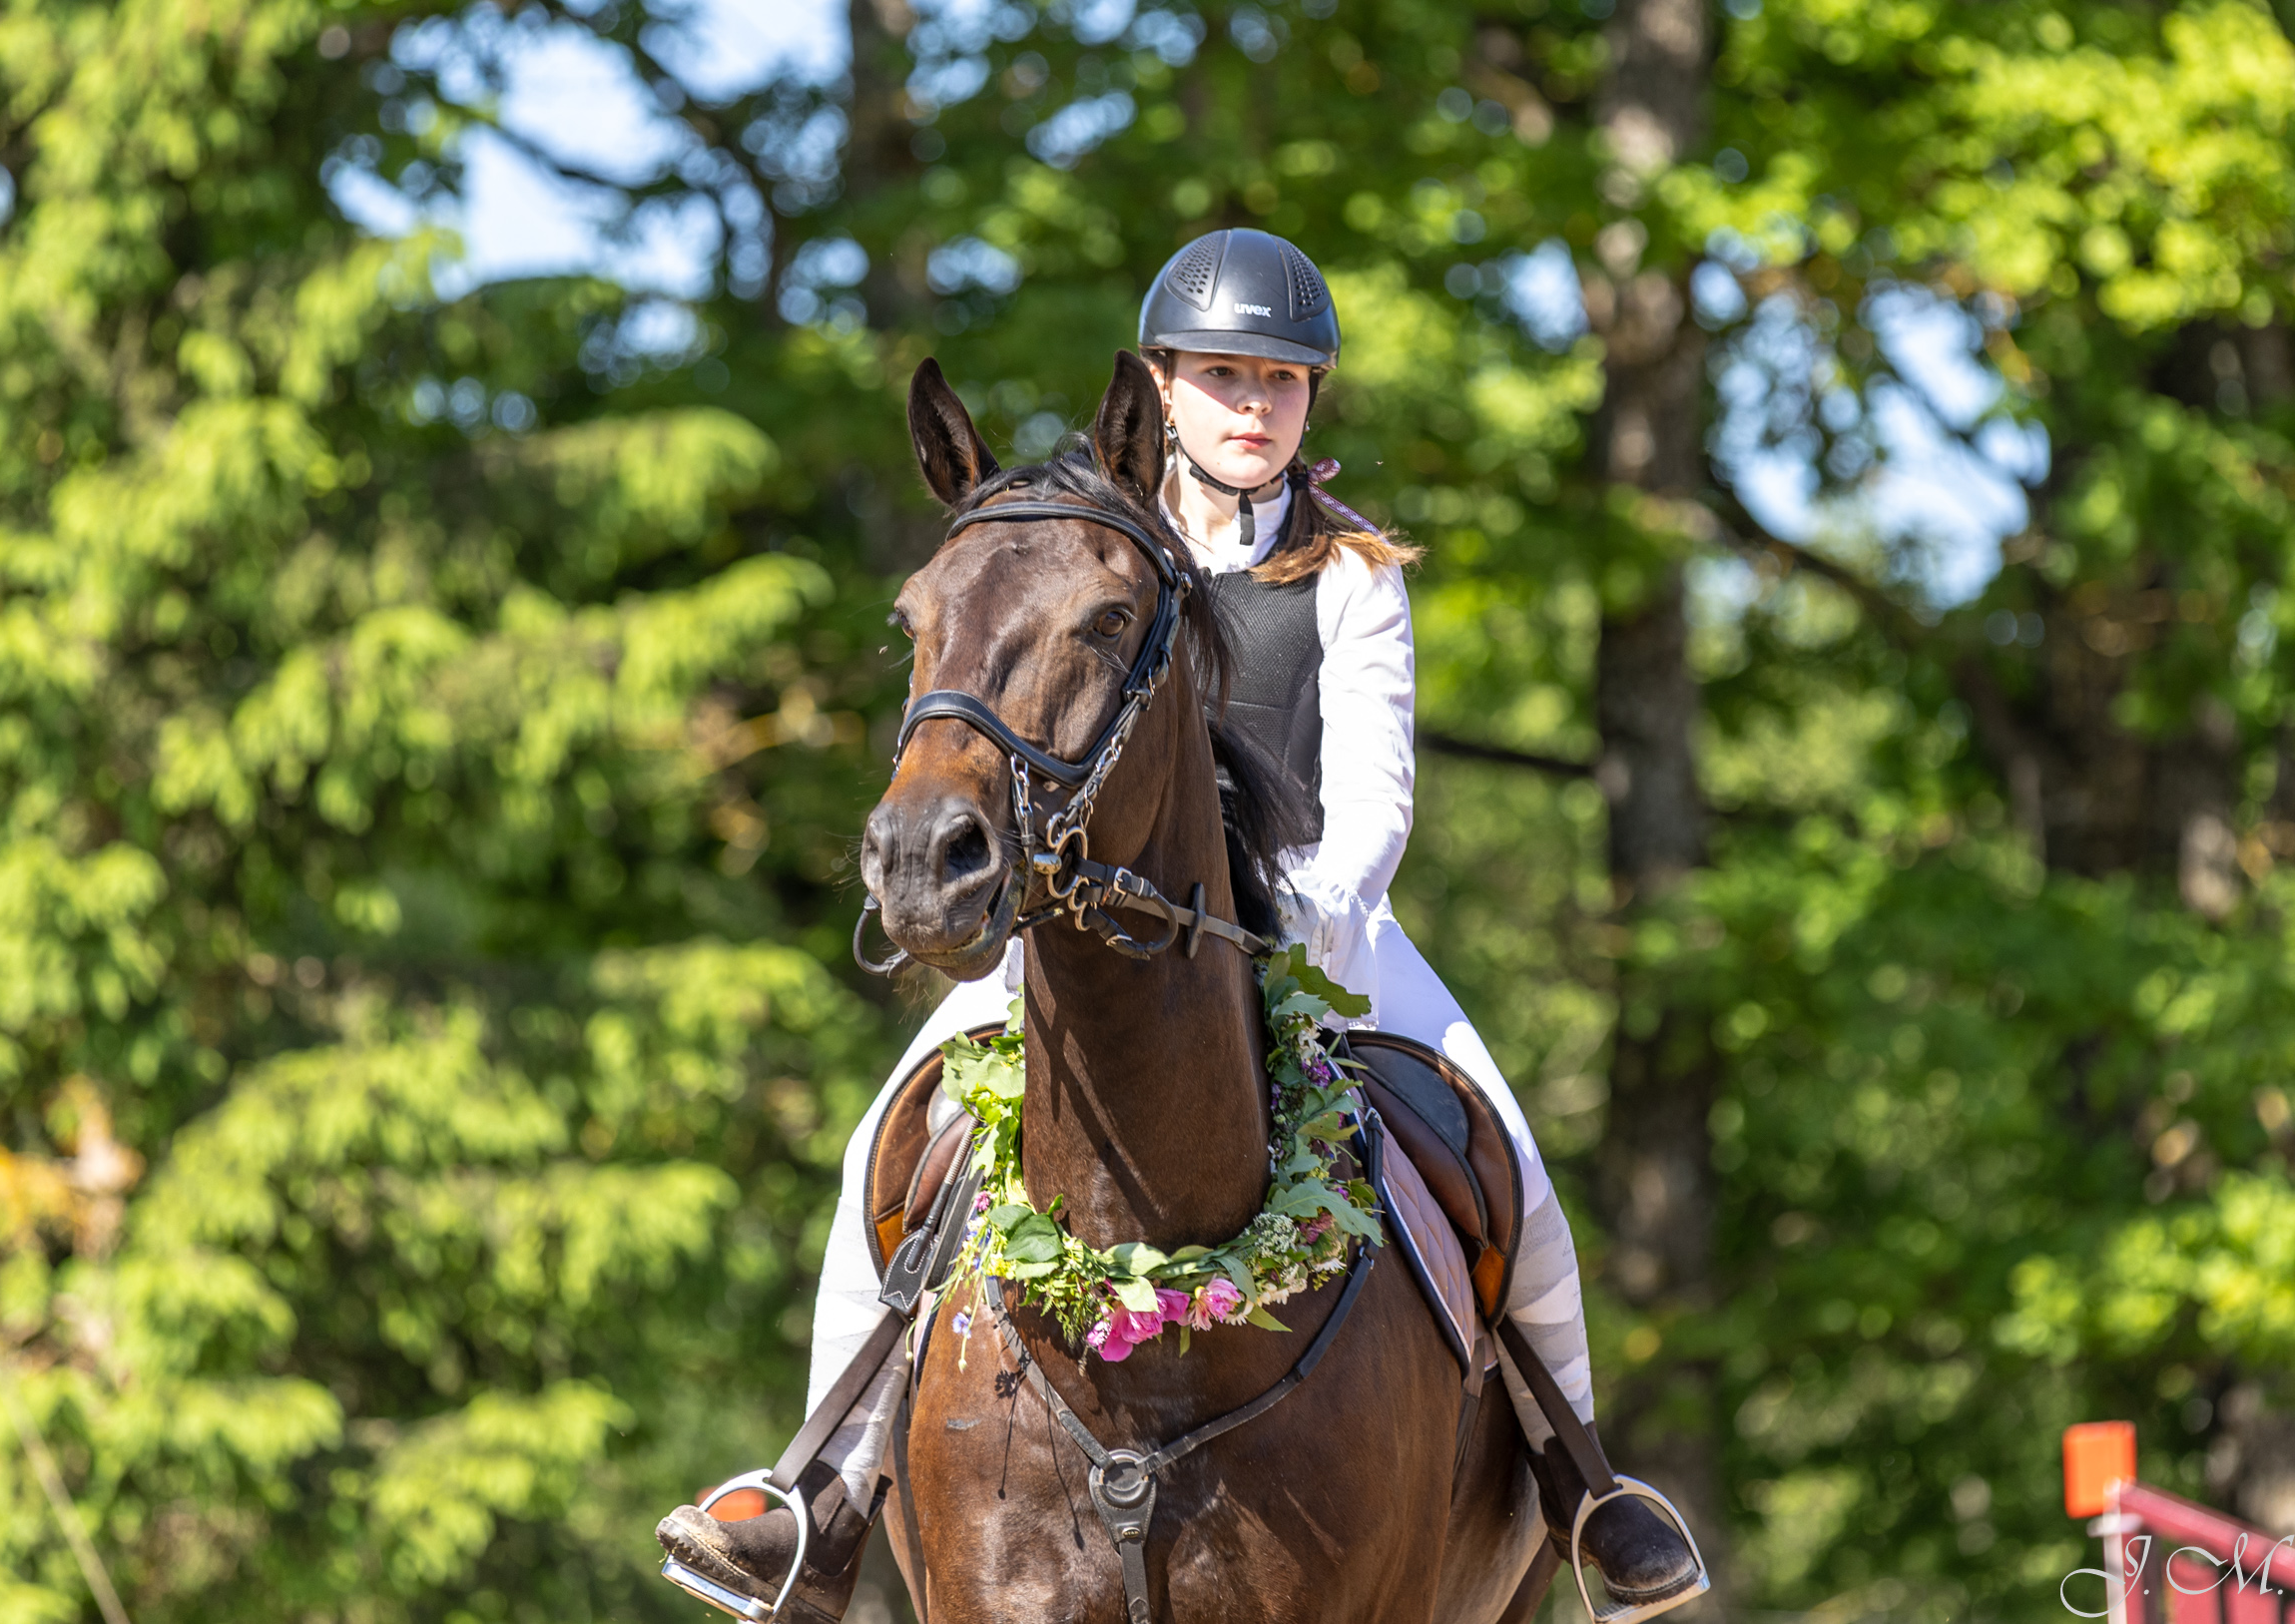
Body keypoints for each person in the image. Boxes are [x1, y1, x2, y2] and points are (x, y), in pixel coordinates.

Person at [659, 228, 1701, 1621]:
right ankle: (821, 1486)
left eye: (1281, 379)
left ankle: (1587, 1489)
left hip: (1322, 945)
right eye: (1224, 376)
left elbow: (1375, 805)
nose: (1254, 405)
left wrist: (1284, 931)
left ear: (1312, 400)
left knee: (1510, 1159)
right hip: (1079, 941)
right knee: (885, 1140)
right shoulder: (1089, 548)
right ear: (1162, 390)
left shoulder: (1350, 577)